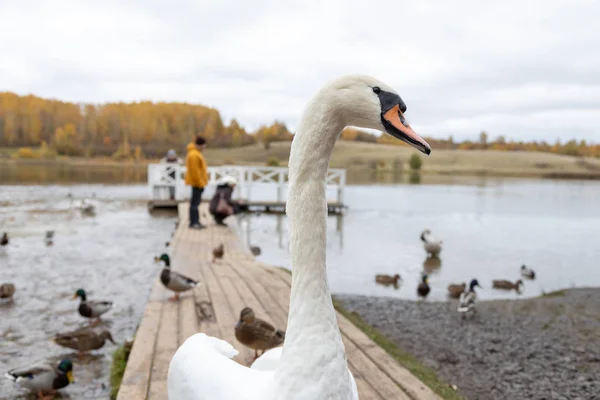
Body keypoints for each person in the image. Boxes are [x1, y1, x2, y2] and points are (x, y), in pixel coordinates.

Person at [184, 136, 208, 229]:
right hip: (196, 183)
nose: (205, 147)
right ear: (201, 145)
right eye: (204, 145)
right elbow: (195, 172)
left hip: (197, 182)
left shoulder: (195, 153)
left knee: (195, 203)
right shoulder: (194, 155)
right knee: (195, 203)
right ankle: (193, 222)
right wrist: (200, 183)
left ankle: (196, 221)